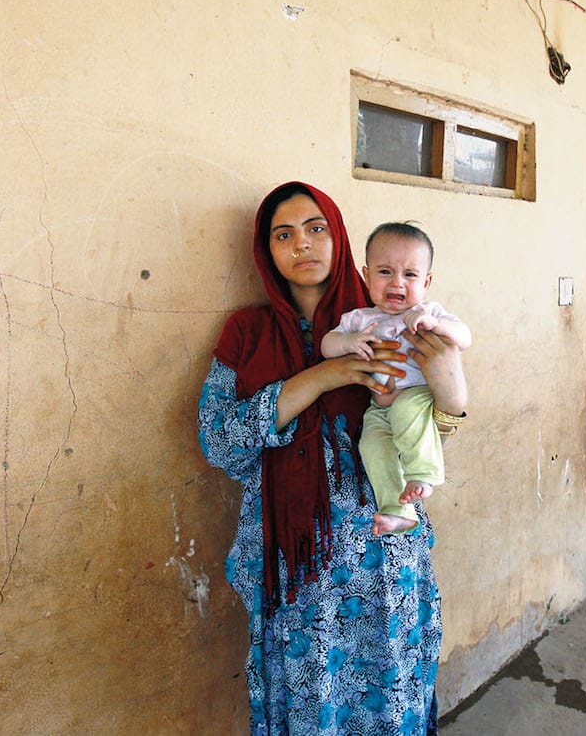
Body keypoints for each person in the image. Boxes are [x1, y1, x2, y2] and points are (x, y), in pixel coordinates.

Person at [198, 182, 467, 735]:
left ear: (339, 237)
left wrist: (453, 394)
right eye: (284, 234)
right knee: (311, 705)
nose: (302, 244)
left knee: (389, 698)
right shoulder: (247, 334)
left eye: (316, 228)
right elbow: (220, 441)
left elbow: (425, 425)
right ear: (266, 251)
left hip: (382, 557)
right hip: (294, 568)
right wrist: (322, 377)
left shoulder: (387, 319)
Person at [322, 223, 472, 536]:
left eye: (410, 275)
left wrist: (434, 324)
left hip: (417, 396)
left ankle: (423, 475)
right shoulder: (360, 319)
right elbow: (327, 345)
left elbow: (464, 337)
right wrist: (349, 343)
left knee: (406, 412)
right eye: (385, 272)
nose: (397, 283)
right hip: (378, 408)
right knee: (372, 445)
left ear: (427, 281)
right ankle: (397, 510)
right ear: (366, 275)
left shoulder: (427, 311)